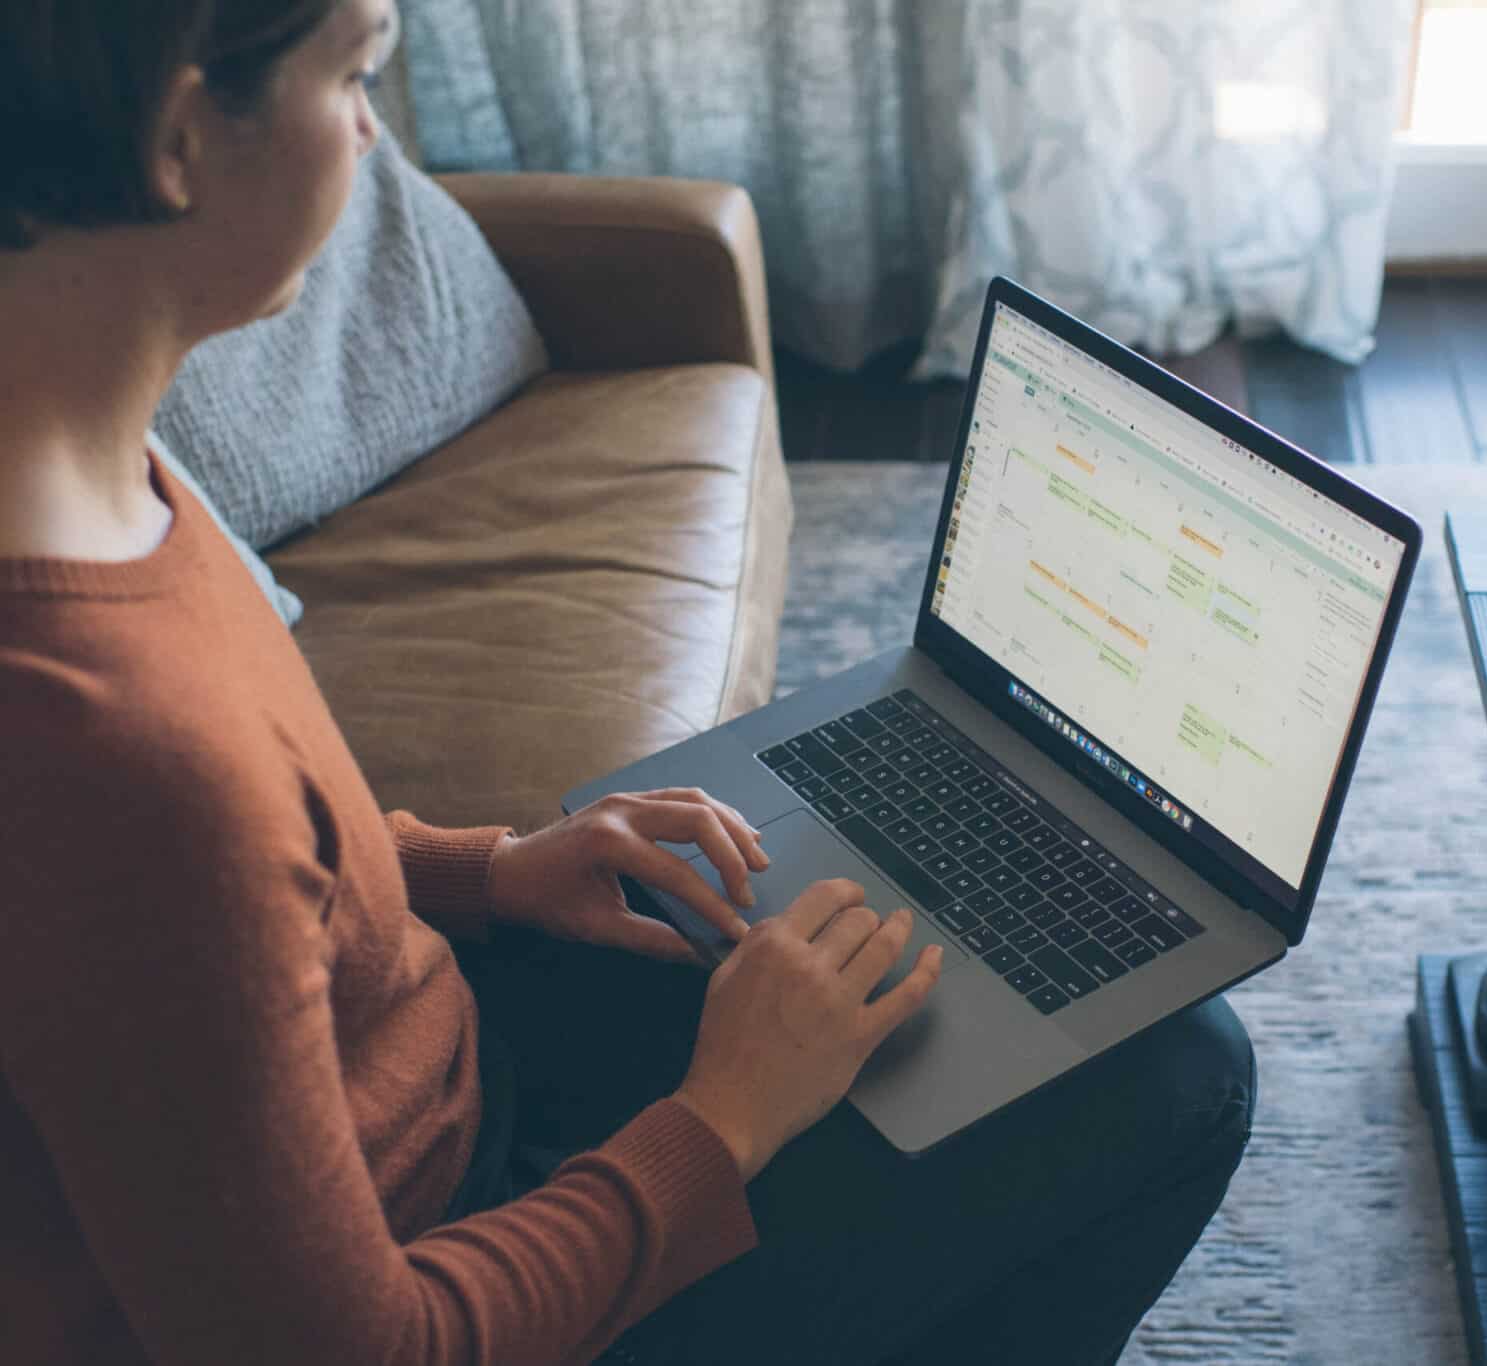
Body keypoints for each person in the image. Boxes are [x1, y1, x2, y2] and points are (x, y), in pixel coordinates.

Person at [0, 3, 1258, 1362]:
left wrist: (489, 872)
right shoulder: (120, 755)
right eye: (354, 74)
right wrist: (724, 1118)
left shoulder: (86, 455)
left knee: (863, 953)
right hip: (459, 1250)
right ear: (180, 135)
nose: (370, 132)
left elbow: (246, 913)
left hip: (431, 1073)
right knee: (1182, 1074)